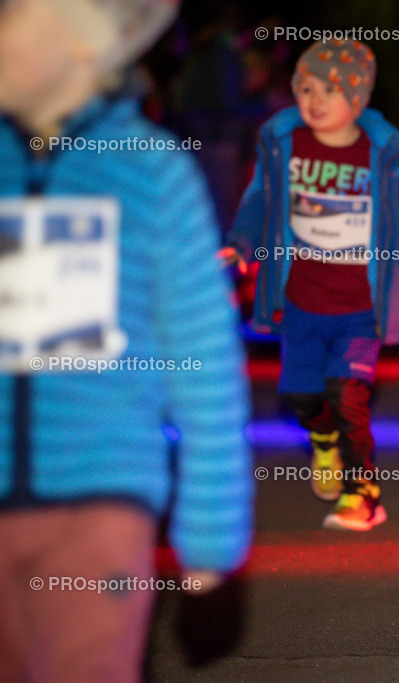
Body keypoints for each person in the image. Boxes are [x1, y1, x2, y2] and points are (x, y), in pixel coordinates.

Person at [0, 0, 253, 679]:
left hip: (102, 503)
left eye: (14, 20)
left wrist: (209, 528)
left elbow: (203, 366)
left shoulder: (149, 174)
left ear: (86, 45)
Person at [228, 40, 399, 531]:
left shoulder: (385, 149)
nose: (314, 101)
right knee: (304, 397)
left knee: (348, 395)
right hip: (301, 303)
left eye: (330, 92)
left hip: (361, 305)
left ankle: (362, 494)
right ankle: (323, 442)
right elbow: (258, 203)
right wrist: (242, 244)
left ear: (357, 100)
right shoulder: (282, 143)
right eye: (306, 88)